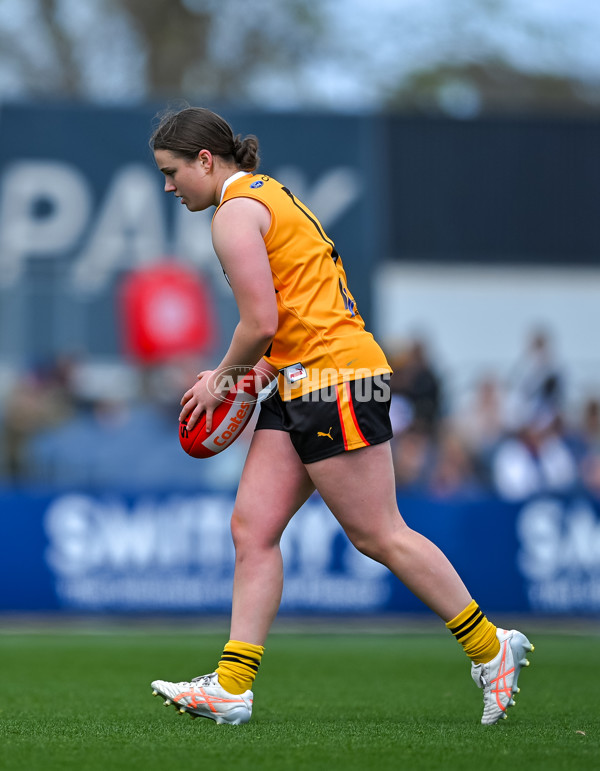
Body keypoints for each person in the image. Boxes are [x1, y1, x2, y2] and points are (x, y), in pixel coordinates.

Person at [148, 106, 533, 726]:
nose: (168, 186)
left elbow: (261, 324)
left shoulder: (234, 214)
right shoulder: (267, 196)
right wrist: (257, 375)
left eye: (171, 172)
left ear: (204, 160)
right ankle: (232, 686)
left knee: (377, 534)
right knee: (252, 529)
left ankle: (492, 650)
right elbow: (299, 314)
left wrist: (222, 380)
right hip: (302, 375)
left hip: (336, 379)